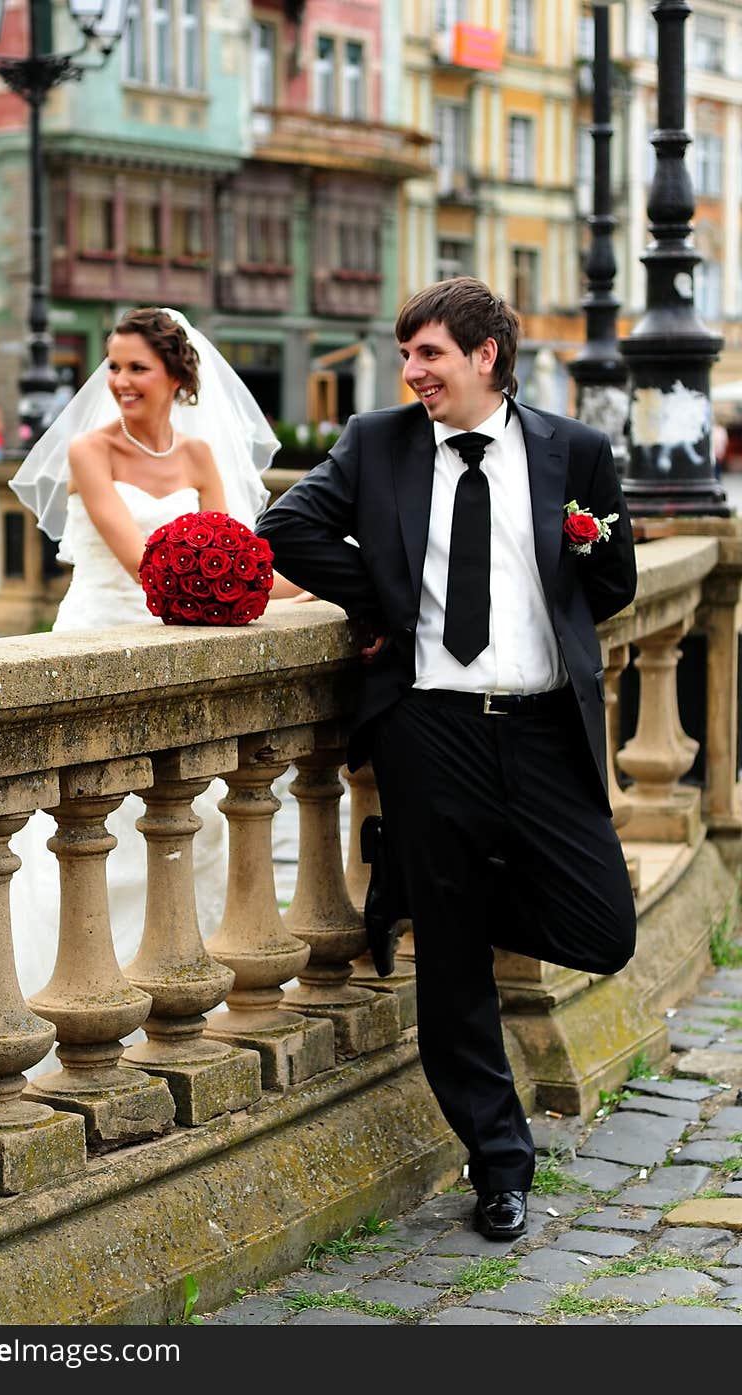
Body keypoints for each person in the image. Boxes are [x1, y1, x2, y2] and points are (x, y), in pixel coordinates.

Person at [256, 277, 638, 1242]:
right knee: (455, 964)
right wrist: (387, 595)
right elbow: (286, 529)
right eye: (405, 355)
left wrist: (573, 567)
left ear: (486, 356)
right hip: (431, 728)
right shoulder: (377, 442)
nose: (411, 372)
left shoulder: (574, 451)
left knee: (604, 927)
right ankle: (499, 1163)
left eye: (428, 353)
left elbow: (615, 580)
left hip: (545, 725)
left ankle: (411, 891)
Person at [0, 307, 300, 1078]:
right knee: (76, 825)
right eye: (113, 367)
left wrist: (303, 583)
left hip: (180, 657)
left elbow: (233, 551)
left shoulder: (197, 453)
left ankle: (171, 999)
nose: (119, 382)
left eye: (136, 368)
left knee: (178, 823)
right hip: (102, 641)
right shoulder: (91, 451)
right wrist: (228, 580)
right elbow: (145, 561)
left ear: (178, 378)